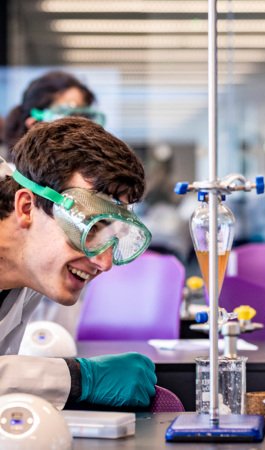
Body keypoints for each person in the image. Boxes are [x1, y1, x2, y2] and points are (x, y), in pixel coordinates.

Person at [0, 116, 156, 409]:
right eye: (90, 227)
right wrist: (76, 378)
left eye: (115, 237)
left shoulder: (33, 260)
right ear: (26, 208)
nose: (104, 262)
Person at [3, 71, 105, 335]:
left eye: (87, 118)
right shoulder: (23, 189)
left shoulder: (78, 193)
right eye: (69, 117)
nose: (80, 132)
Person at [3, 70, 104, 160]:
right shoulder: (10, 174)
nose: (82, 126)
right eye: (70, 115)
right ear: (34, 124)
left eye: (85, 116)